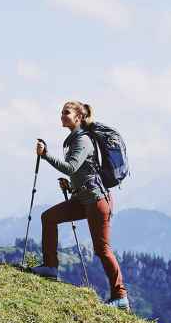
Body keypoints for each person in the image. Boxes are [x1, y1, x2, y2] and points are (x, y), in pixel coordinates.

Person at [31, 101, 131, 310]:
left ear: (78, 117)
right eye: (61, 112)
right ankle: (50, 267)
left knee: (102, 249)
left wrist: (45, 154)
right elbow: (80, 171)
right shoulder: (75, 139)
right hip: (83, 199)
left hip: (96, 201)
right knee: (48, 217)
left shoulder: (82, 140)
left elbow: (71, 167)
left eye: (66, 112)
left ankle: (120, 296)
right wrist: (71, 185)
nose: (62, 115)